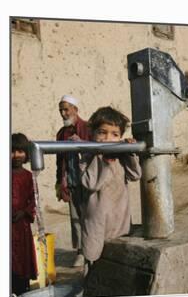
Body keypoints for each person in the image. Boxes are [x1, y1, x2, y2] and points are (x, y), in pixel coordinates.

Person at [79, 106, 142, 271]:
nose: (108, 138)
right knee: (94, 263)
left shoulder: (121, 155)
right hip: (97, 222)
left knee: (118, 263)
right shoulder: (87, 157)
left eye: (114, 134)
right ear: (92, 134)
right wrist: (101, 158)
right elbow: (91, 183)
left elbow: (135, 175)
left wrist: (130, 152)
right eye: (102, 133)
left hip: (119, 219)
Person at [55, 95, 91, 267]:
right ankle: (80, 251)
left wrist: (81, 142)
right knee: (75, 218)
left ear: (75, 109)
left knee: (91, 216)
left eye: (66, 109)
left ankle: (93, 249)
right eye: (61, 110)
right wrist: (59, 181)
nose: (63, 113)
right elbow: (59, 160)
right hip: (72, 181)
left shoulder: (86, 128)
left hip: (89, 182)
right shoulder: (61, 134)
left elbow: (94, 152)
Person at [11, 133, 38, 296]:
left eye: (20, 151)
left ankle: (22, 292)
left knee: (22, 262)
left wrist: (24, 212)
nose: (16, 156)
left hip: (21, 227)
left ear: (26, 154)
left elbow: (33, 200)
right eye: (12, 151)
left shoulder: (29, 177)